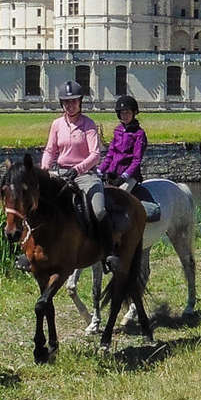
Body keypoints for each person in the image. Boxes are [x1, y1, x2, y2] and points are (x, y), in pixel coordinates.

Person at [39, 80, 129, 272]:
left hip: (85, 175)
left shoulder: (88, 124)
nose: (70, 106)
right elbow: (50, 150)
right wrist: (44, 169)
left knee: (99, 210)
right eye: (66, 102)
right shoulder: (56, 125)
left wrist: (78, 169)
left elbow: (95, 154)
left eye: (73, 102)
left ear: (80, 102)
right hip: (61, 173)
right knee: (40, 203)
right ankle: (34, 251)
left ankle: (108, 252)